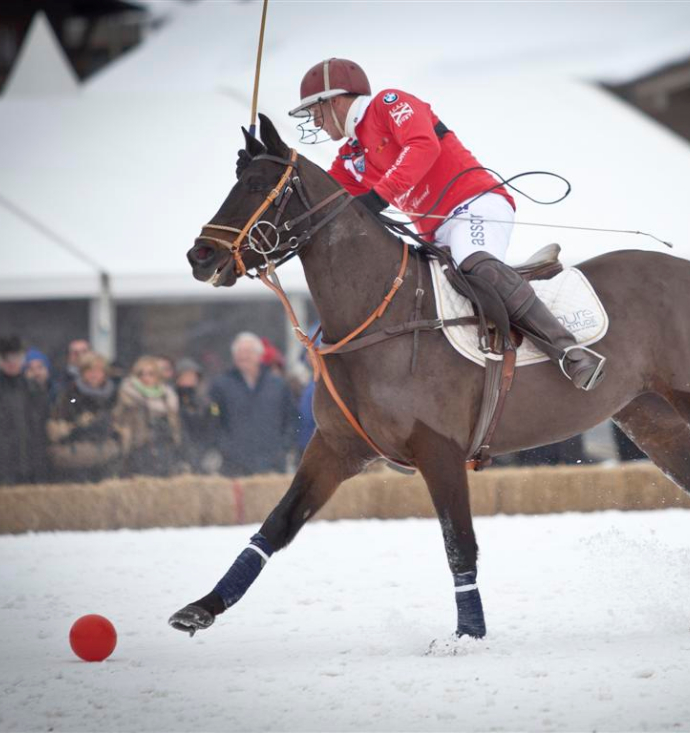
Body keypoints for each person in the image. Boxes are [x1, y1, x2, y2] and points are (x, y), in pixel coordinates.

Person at [264, 57, 605, 390]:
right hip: (436, 232)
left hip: (475, 205)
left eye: (316, 110)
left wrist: (379, 196)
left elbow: (422, 146)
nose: (316, 121)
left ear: (336, 100)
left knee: (475, 265)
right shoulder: (350, 157)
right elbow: (321, 202)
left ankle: (569, 352)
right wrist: (269, 171)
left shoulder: (388, 103)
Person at [209, 332, 297, 477]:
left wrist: (283, 447)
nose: (244, 356)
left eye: (248, 352)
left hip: (272, 463)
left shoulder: (278, 384)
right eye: (239, 352)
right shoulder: (220, 385)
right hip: (234, 465)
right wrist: (224, 446)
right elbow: (213, 417)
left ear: (259, 355)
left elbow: (291, 418)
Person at [0, 336, 50, 485]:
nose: (12, 362)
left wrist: (43, 466)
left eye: (16, 357)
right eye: (6, 358)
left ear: (23, 359)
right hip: (0, 471)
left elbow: (42, 431)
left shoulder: (35, 390)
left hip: (33, 469)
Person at [47, 352, 121, 483]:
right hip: (78, 453)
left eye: (98, 371)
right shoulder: (72, 394)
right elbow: (67, 409)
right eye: (89, 370)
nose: (94, 375)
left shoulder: (113, 395)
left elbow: (119, 420)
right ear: (82, 373)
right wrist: (80, 418)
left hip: (106, 452)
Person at [113, 355, 182, 477]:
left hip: (163, 451)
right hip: (136, 452)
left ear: (158, 376)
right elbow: (120, 424)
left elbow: (175, 427)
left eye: (151, 374)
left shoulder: (168, 399)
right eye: (141, 374)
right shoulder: (128, 399)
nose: (145, 378)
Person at [175, 357, 216, 474]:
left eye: (193, 376)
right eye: (186, 376)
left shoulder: (206, 400)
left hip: (201, 448)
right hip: (181, 449)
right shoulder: (172, 398)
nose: (190, 380)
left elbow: (213, 419)